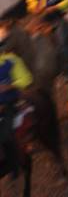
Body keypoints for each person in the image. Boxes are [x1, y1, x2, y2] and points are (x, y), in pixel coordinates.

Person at [0, 25, 33, 179]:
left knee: (5, 134)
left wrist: (9, 86)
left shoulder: (11, 61)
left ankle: (14, 165)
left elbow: (27, 80)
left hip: (10, 104)